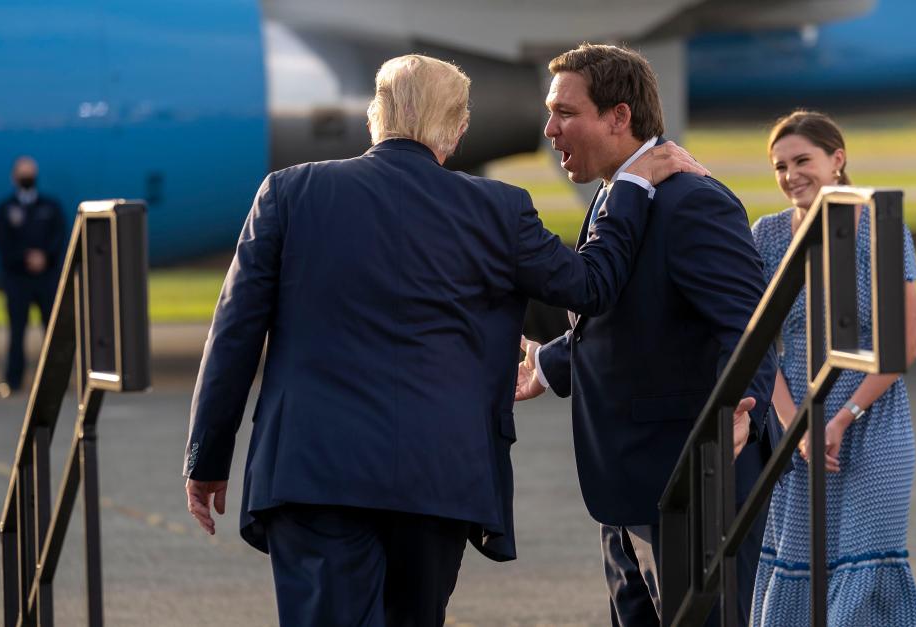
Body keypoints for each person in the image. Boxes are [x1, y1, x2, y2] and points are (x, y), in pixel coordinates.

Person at [182, 53, 709, 627]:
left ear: (374, 117)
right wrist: (632, 185)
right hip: (439, 479)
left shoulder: (288, 193)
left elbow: (233, 334)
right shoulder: (499, 209)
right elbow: (592, 284)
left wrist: (207, 457)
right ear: (458, 130)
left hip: (313, 472)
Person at [515, 43, 779, 627]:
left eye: (564, 112)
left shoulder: (692, 202)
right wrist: (552, 363)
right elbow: (630, 313)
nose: (548, 129)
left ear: (619, 117)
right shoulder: (618, 193)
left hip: (692, 477)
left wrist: (741, 403)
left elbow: (749, 321)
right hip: (632, 483)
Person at [750, 110, 916, 625]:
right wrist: (794, 426)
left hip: (872, 423)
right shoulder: (770, 235)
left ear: (837, 159)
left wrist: (840, 418)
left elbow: (905, 344)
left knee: (866, 562)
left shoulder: (881, 226)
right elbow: (758, 344)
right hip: (797, 431)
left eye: (803, 160)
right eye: (780, 166)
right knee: (800, 561)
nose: (790, 175)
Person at [0, 156, 66, 398]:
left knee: (52, 332)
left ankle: (55, 382)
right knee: (17, 332)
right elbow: (3, 243)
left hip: (46, 280)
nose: (27, 178)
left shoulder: (50, 207)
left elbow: (59, 237)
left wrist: (45, 257)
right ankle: (13, 381)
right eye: (23, 173)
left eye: (30, 173)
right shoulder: (5, 210)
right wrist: (25, 258)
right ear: (14, 177)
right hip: (18, 281)